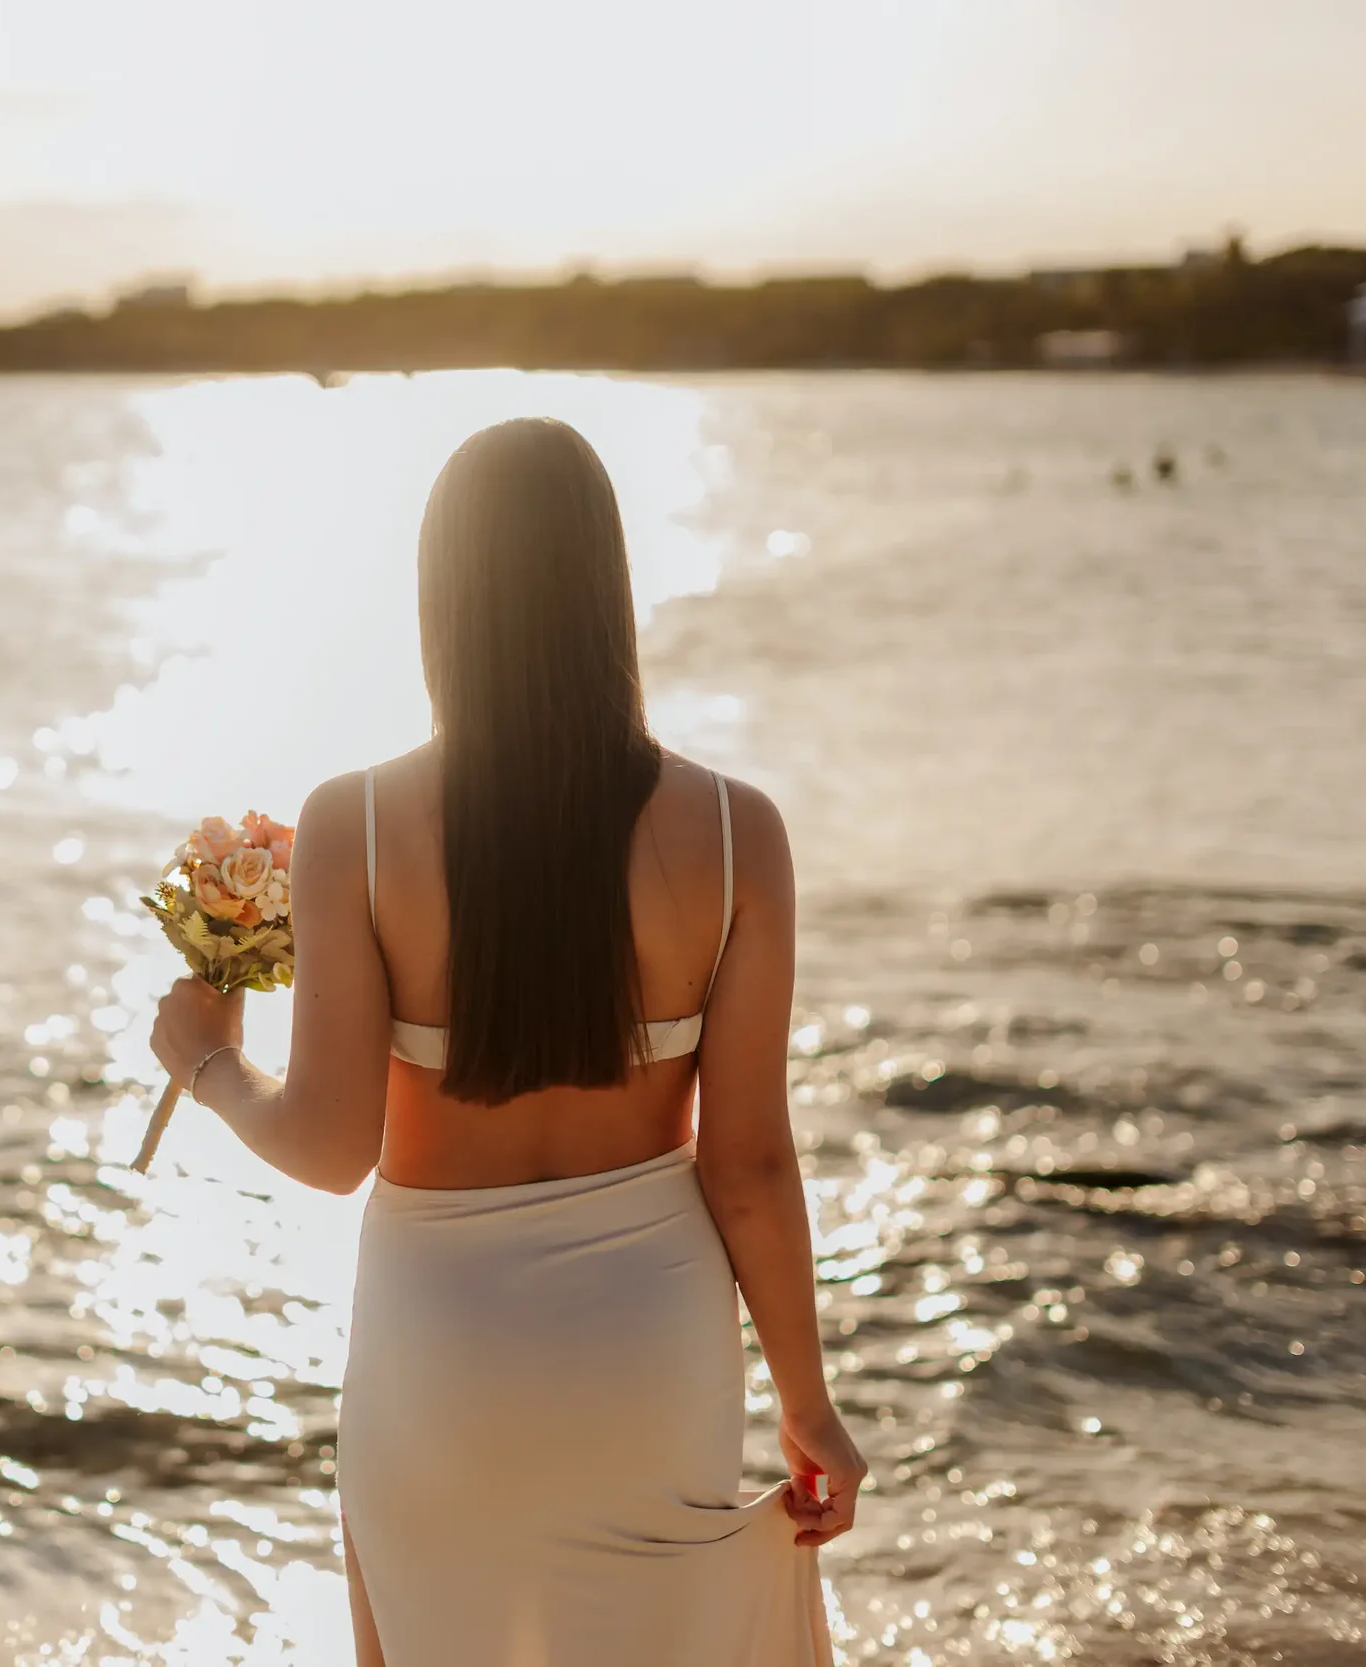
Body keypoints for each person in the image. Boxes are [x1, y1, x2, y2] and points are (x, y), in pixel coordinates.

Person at [151, 417, 864, 1666]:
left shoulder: (357, 824)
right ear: (605, 589)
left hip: (441, 1348)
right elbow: (747, 1164)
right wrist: (809, 1406)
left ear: (442, 599)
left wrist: (209, 1063)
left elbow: (328, 1146)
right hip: (648, 1344)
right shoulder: (739, 834)